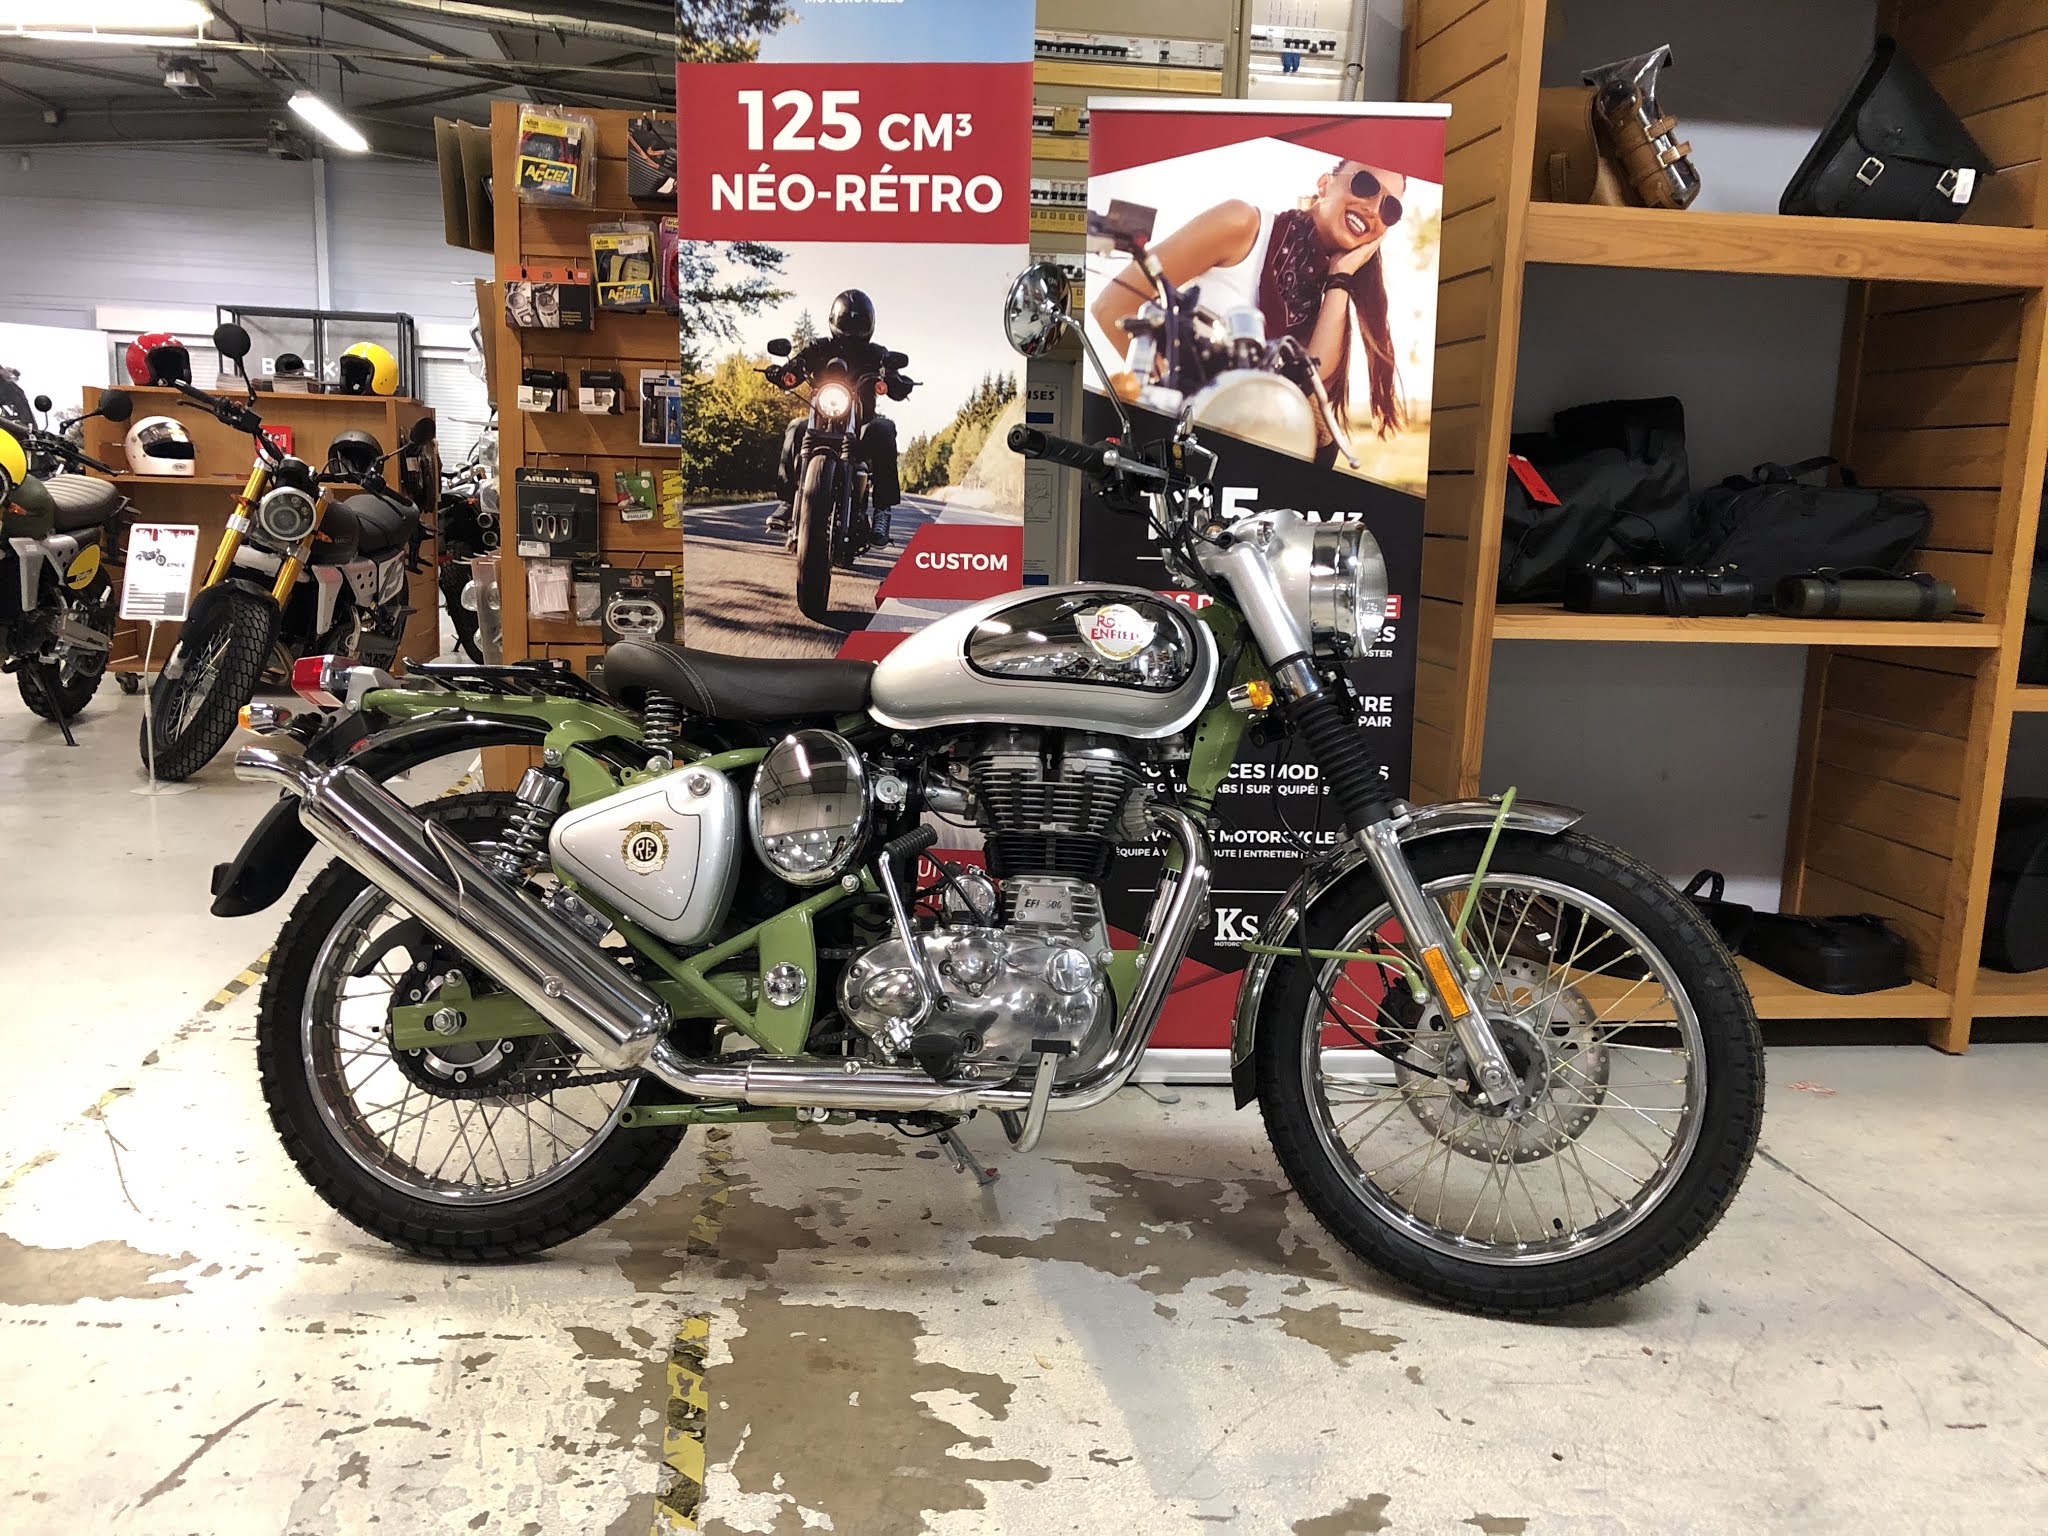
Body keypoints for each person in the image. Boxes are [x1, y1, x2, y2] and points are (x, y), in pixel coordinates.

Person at [1089, 159, 1407, 467]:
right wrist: (1183, 408)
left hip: (1237, 471)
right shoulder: (1242, 223)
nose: (1373, 208)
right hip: (1175, 452)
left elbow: (1310, 394)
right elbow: (1113, 306)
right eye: (1365, 185)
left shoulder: (1322, 299)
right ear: (1324, 184)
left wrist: (1341, 278)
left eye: (1390, 208)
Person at [766, 289, 911, 545]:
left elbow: (892, 377)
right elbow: (799, 365)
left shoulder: (877, 354)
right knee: (795, 428)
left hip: (860, 429)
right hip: (820, 420)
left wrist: (896, 383)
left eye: (858, 323)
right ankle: (788, 500)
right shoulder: (819, 348)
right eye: (847, 321)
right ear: (835, 320)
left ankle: (882, 510)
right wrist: (785, 373)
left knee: (884, 428)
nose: (852, 329)